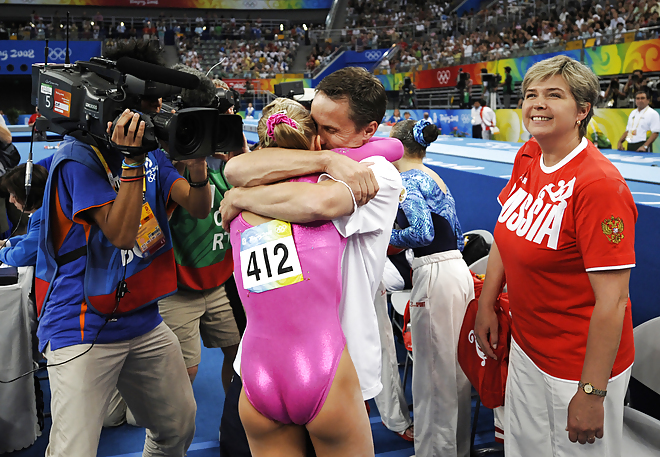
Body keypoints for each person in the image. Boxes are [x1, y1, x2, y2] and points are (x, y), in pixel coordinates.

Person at [35, 41, 212, 456]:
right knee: (72, 450)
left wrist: (199, 162)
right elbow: (120, 233)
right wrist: (131, 163)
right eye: (151, 103)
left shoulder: (152, 152)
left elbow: (200, 206)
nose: (159, 111)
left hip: (141, 317)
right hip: (80, 325)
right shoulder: (78, 159)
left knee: (177, 427)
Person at [219, 67, 403, 456]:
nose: (319, 139)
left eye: (332, 131)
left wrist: (238, 199)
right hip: (286, 363)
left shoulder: (376, 174)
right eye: (314, 124)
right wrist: (324, 162)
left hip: (337, 359)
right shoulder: (319, 165)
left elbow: (317, 205)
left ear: (368, 130)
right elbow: (233, 167)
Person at [475, 55, 637, 457]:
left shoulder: (599, 186)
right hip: (529, 346)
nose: (538, 104)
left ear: (583, 110)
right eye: (531, 95)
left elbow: (613, 300)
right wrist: (487, 303)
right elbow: (506, 232)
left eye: (554, 95)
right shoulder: (528, 155)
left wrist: (591, 392)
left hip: (576, 365)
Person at [390, 119, 473, 457]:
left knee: (434, 373)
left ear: (397, 148)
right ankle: (452, 448)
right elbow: (456, 232)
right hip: (454, 269)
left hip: (437, 274)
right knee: (452, 370)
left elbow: (423, 232)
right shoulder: (433, 176)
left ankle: (436, 452)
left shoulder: (408, 180)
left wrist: (387, 239)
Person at [157, 66, 241, 391]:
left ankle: (232, 428)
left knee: (239, 360)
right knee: (184, 372)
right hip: (178, 285)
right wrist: (191, 158)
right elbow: (196, 204)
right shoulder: (167, 160)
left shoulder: (231, 152)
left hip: (222, 279)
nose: (228, 120)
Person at [0, 163, 47, 266]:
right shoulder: (44, 211)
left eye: (13, 194)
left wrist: (1, 252)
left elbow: (20, 257)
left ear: (28, 194)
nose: (11, 200)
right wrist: (6, 243)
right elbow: (30, 239)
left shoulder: (42, 218)